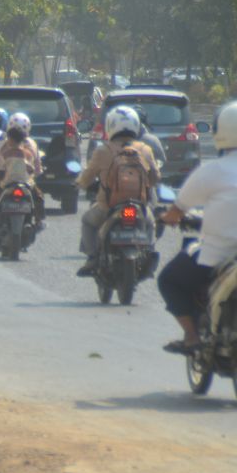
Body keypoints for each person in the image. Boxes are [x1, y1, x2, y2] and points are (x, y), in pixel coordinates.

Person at [157, 101, 237, 354]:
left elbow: (177, 210)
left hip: (217, 255)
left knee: (168, 280)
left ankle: (192, 337)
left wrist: (166, 218)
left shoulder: (212, 171)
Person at [75, 106, 159, 276]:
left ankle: (92, 258)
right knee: (151, 223)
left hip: (108, 207)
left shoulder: (103, 150)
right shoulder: (145, 149)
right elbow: (156, 176)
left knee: (88, 221)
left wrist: (80, 184)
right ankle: (149, 252)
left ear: (110, 126)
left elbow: (88, 176)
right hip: (139, 207)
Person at [0, 112, 44, 220]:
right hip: (27, 184)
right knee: (39, 197)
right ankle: (39, 220)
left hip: (6, 183)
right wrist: (33, 174)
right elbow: (35, 169)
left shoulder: (5, 145)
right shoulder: (31, 147)